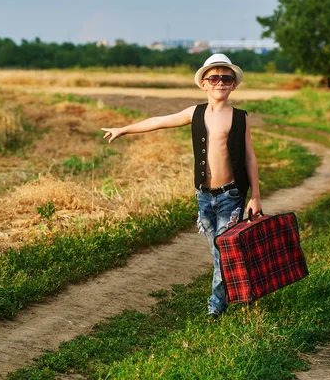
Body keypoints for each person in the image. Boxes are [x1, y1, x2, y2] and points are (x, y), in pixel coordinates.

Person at [101, 53, 262, 318]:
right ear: (204, 84)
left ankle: (216, 307)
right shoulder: (195, 113)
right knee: (218, 251)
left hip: (231, 195)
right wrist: (124, 128)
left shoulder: (240, 117)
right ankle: (237, 292)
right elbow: (159, 121)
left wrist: (255, 196)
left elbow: (249, 157)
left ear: (233, 85)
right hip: (204, 196)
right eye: (214, 78)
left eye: (226, 78)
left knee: (222, 251)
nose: (220, 82)